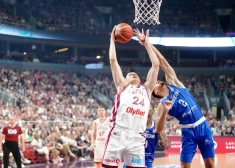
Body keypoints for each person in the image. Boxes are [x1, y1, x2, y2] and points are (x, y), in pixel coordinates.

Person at [134, 29, 215, 168]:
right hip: (187, 131)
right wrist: (165, 112)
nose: (158, 81)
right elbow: (159, 129)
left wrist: (147, 43)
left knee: (210, 165)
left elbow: (162, 61)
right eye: (156, 83)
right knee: (184, 166)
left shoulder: (174, 83)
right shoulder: (161, 104)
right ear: (156, 91)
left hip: (202, 125)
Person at [102, 26, 160, 168]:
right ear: (125, 79)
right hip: (118, 133)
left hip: (137, 137)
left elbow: (156, 65)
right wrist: (112, 40)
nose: (133, 74)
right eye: (130, 74)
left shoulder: (146, 89)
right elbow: (113, 60)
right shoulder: (122, 86)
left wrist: (147, 44)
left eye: (135, 74)